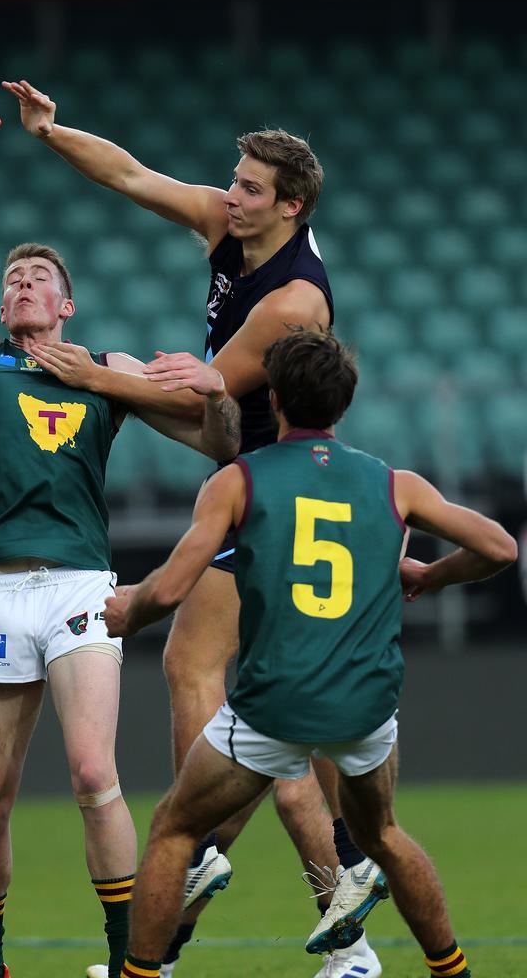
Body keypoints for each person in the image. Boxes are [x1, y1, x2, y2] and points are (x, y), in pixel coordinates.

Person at [5, 80, 384, 978]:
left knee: (195, 673)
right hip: (242, 465)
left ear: (291, 206)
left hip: (274, 484)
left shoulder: (293, 300)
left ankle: (208, 863)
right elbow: (133, 176)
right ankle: (345, 925)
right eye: (235, 180)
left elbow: (205, 388)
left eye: (252, 188)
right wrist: (52, 132)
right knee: (274, 732)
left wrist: (91, 377)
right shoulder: (231, 226)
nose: (232, 193)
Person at [102, 326, 517, 978]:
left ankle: (142, 974)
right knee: (382, 835)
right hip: (366, 708)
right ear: (343, 407)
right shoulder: (395, 484)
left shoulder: (238, 480)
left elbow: (177, 584)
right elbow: (500, 548)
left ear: (274, 397)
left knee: (177, 832)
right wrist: (429, 577)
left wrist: (132, 612)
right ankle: (452, 971)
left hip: (275, 704)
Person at [0, 115, 242, 978]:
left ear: (65, 305)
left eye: (39, 278)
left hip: (77, 586)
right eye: (14, 278)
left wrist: (215, 391)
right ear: (2, 305)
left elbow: (219, 439)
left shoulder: (106, 368)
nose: (22, 283)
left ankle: (131, 960)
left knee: (92, 774)